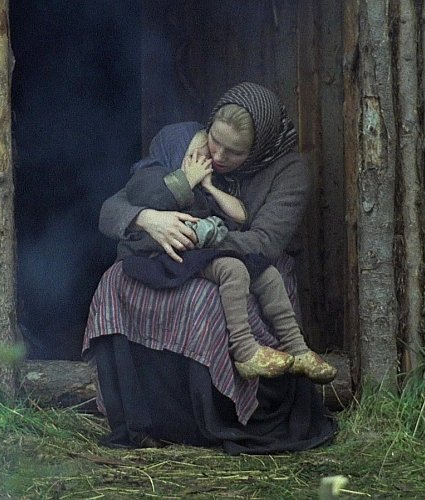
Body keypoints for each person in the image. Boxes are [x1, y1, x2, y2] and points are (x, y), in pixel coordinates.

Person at [84, 82, 337, 454]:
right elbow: (113, 208)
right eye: (215, 141)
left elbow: (264, 242)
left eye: (234, 152)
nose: (218, 156)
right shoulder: (189, 147)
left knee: (206, 302)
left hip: (249, 262)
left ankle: (210, 421)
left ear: (258, 148)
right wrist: (148, 219)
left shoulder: (289, 171)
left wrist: (198, 238)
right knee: (115, 279)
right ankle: (140, 416)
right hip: (184, 253)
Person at [120, 109, 337, 383]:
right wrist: (184, 181)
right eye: (207, 147)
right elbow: (139, 202)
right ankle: (245, 351)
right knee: (233, 271)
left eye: (232, 151)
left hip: (201, 248)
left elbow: (242, 217)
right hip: (164, 251)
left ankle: (298, 349)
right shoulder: (150, 175)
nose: (216, 157)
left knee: (268, 274)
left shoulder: (214, 179)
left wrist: (208, 186)